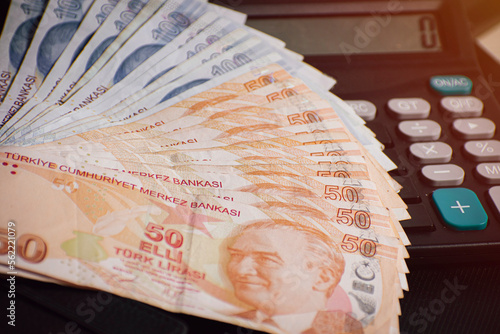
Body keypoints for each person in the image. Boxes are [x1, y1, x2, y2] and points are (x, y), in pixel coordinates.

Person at [225, 220, 364, 334]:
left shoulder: (349, 329)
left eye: (266, 259)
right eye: (236, 256)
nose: (240, 269)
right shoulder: (226, 320)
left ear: (323, 278)